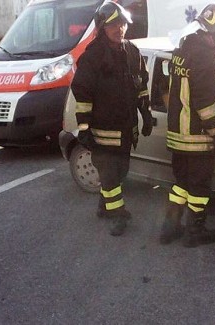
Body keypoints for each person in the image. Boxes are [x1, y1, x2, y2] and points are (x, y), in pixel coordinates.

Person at [71, 2, 152, 236]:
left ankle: (104, 206)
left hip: (126, 128)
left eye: (123, 24)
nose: (120, 29)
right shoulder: (92, 57)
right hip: (103, 132)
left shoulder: (132, 52)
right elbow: (83, 94)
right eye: (114, 24)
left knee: (122, 171)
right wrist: (84, 128)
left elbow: (141, 85)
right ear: (102, 27)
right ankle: (118, 215)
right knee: (110, 175)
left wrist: (145, 113)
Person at [158, 3, 215, 247]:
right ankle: (195, 231)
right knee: (199, 188)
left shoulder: (182, 49)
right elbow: (205, 104)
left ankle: (170, 227)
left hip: (177, 136)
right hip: (197, 138)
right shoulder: (204, 57)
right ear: (212, 32)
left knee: (181, 184)